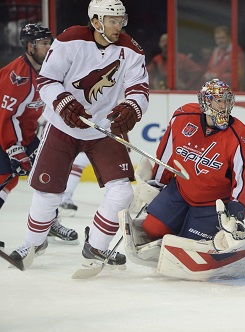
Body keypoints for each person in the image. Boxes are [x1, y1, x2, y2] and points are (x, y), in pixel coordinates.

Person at [9, 0, 149, 268]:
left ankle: (96, 247)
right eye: (113, 20)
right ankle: (33, 242)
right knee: (48, 192)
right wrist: (62, 102)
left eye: (121, 20)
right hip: (62, 125)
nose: (119, 25)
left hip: (103, 128)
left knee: (121, 192)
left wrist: (132, 107)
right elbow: (48, 80)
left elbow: (139, 89)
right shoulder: (69, 39)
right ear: (96, 20)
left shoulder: (131, 49)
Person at [129, 79, 245, 251]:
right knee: (152, 229)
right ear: (206, 101)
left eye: (227, 100)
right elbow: (167, 154)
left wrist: (238, 210)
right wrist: (157, 183)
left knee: (189, 248)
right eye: (218, 100)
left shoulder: (241, 136)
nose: (224, 105)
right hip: (180, 191)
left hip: (213, 203)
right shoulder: (183, 117)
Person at [0, 23, 52, 211]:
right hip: (4, 135)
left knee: (48, 176)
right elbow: (6, 116)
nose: (49, 47)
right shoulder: (17, 76)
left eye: (50, 43)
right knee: (6, 179)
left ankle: (48, 222)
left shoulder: (47, 69)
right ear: (31, 46)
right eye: (44, 43)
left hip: (26, 135)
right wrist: (15, 150)